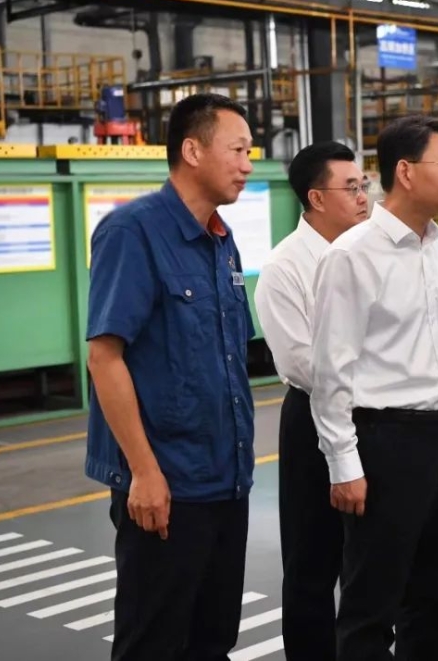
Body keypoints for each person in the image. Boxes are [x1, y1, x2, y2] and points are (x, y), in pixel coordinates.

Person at [84, 92, 257, 661]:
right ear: (192, 150)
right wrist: (144, 472)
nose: (247, 165)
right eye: (237, 150)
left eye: (249, 152)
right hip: (167, 484)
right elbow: (105, 357)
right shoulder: (132, 232)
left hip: (225, 479)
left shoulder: (221, 240)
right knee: (153, 643)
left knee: (213, 640)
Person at [310, 114, 438, 660]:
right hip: (386, 443)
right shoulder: (352, 255)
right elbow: (331, 370)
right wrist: (343, 464)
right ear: (405, 171)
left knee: (428, 594)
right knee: (371, 601)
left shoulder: (437, 247)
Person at [253, 141, 370, 660]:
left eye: (364, 185)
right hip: (313, 418)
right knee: (312, 558)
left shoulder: (371, 252)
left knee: (370, 554)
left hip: (374, 417)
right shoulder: (284, 268)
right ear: (316, 198)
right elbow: (303, 364)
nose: (364, 197)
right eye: (352, 188)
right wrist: (378, 376)